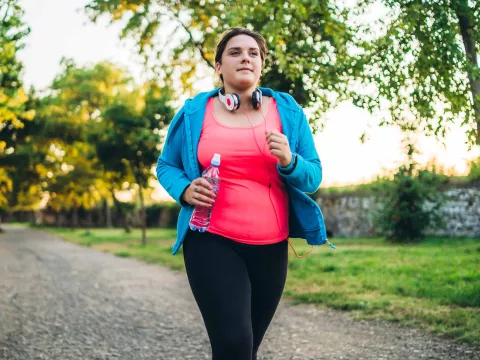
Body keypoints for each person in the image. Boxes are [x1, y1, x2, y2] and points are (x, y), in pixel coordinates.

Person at [156, 27, 332, 360]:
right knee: (234, 342)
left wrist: (289, 161)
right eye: (234, 52)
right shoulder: (195, 112)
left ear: (261, 64)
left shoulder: (288, 112)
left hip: (271, 247)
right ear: (218, 66)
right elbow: (166, 165)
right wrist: (185, 189)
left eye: (253, 52)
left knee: (245, 347)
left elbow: (314, 177)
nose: (245, 58)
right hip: (211, 240)